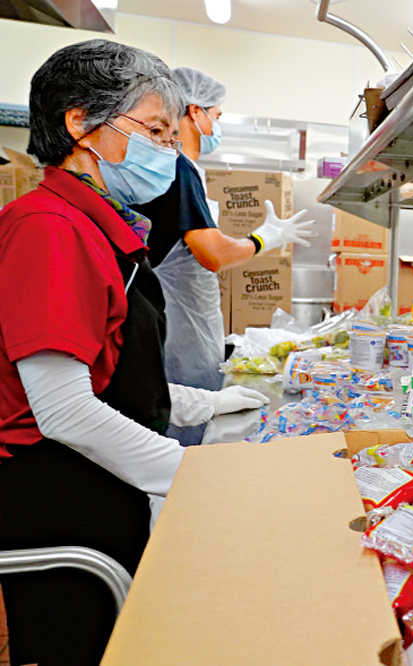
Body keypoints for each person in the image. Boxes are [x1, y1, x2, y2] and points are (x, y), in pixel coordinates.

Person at [0, 40, 270, 666]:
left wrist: (206, 402)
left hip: (96, 480)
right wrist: (192, 475)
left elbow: (107, 377)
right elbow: (63, 410)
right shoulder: (48, 228)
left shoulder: (98, 227)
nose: (167, 154)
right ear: (80, 124)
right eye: (155, 132)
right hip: (60, 504)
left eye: (172, 138)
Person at [134, 67, 315, 392]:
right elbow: (212, 253)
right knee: (186, 423)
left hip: (187, 326)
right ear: (195, 111)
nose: (216, 126)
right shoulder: (178, 169)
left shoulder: (179, 170)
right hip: (180, 334)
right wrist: (264, 238)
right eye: (216, 116)